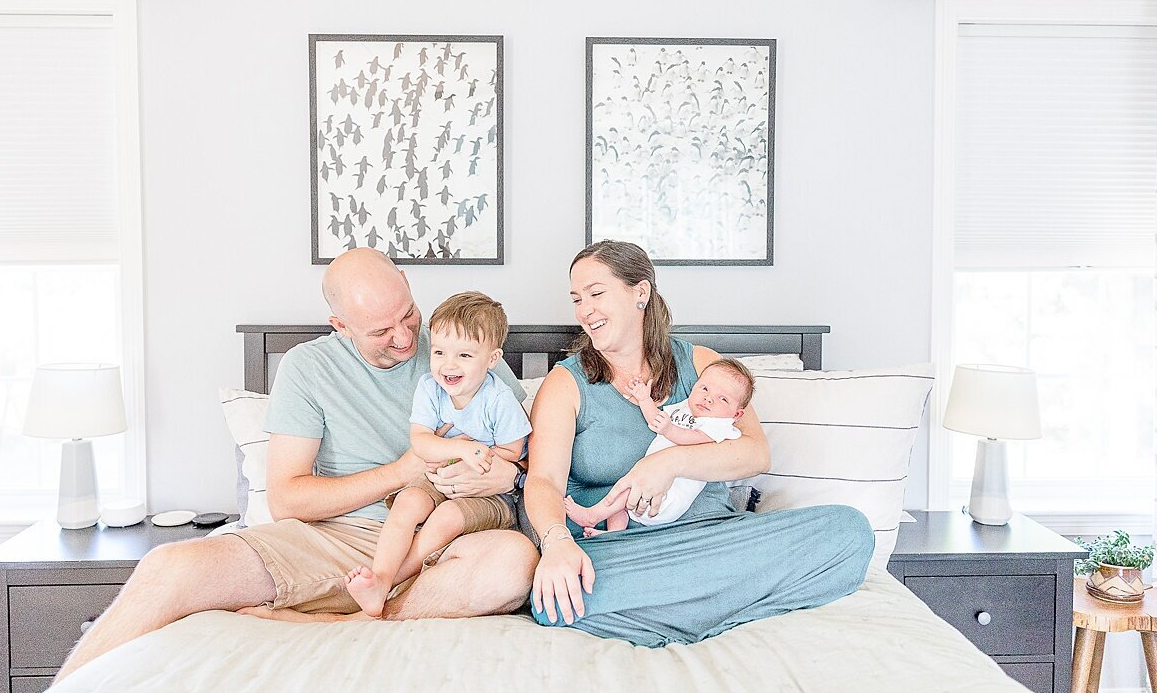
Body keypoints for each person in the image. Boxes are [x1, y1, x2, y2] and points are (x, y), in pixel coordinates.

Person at [54, 249, 538, 683]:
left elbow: (533, 459)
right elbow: (287, 498)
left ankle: (350, 614)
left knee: (515, 564)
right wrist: (401, 471)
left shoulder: (463, 344)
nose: (406, 335)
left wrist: (510, 475)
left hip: (452, 537)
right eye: (381, 330)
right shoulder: (307, 368)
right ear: (340, 325)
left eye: (408, 314)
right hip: (338, 538)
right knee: (169, 567)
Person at [525, 240, 874, 647]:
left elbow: (754, 453)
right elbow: (544, 480)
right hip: (625, 550)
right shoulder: (565, 383)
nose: (585, 310)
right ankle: (730, 610)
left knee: (849, 531)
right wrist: (557, 543)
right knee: (554, 597)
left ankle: (668, 616)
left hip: (714, 537)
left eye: (597, 294)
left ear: (641, 293)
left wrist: (669, 463)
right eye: (577, 299)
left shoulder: (703, 365)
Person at [345, 291, 531, 618]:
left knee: (444, 518)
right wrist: (460, 448)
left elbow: (513, 453)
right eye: (439, 351)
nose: (448, 364)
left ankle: (395, 581)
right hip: (439, 478)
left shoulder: (499, 399)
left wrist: (478, 462)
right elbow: (421, 441)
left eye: (464, 355)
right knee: (407, 504)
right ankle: (380, 579)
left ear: (492, 359)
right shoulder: (430, 388)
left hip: (488, 495)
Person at [563, 358, 751, 534]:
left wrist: (669, 429)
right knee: (623, 497)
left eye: (723, 399)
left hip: (668, 497)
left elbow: (693, 439)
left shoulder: (720, 425)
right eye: (704, 388)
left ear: (736, 414)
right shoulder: (684, 409)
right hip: (650, 486)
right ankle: (612, 535)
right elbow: (655, 420)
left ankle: (592, 516)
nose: (709, 398)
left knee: (625, 491)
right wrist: (644, 399)